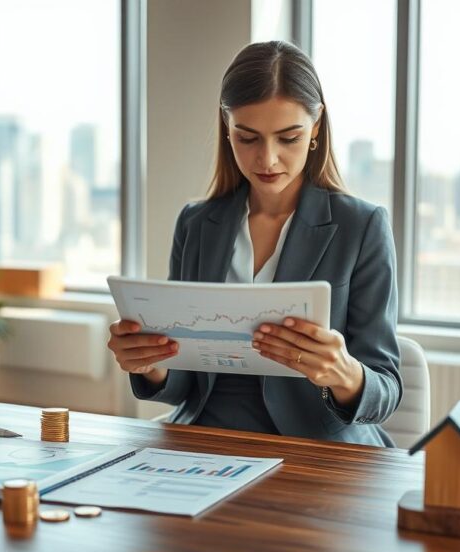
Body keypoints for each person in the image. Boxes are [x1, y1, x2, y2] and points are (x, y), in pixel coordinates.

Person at [106, 41, 401, 447]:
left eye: (288, 138)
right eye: (248, 138)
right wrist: (150, 364)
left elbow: (385, 389)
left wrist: (343, 373)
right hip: (208, 440)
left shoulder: (362, 226)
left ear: (316, 129)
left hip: (315, 448)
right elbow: (183, 384)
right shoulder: (196, 223)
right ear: (227, 130)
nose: (268, 159)